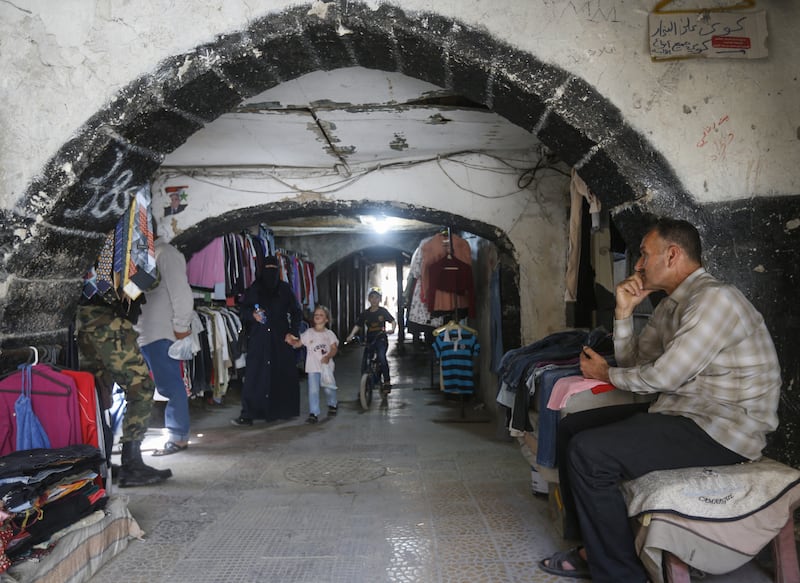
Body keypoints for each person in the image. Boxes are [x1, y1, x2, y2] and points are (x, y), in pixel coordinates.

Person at [539, 217, 782, 583]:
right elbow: (638, 367)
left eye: (643, 254)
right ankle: (594, 545)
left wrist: (606, 375)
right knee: (572, 428)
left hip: (723, 430)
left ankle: (621, 574)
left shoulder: (714, 299)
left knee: (591, 453)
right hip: (684, 412)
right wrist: (622, 313)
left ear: (672, 255)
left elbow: (663, 377)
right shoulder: (671, 305)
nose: (638, 264)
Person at [76, 302, 173, 487]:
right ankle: (132, 463)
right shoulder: (106, 271)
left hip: (82, 321)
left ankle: (99, 462)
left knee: (95, 391)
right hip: (108, 322)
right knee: (141, 388)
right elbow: (148, 279)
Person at [133, 233, 194, 456]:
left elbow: (182, 294)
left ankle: (178, 437)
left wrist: (180, 326)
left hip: (161, 333)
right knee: (137, 388)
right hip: (141, 332)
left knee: (170, 386)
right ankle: (132, 439)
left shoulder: (166, 253)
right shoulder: (142, 256)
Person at [231, 255, 303, 426]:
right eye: (267, 268)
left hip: (280, 338)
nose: (270, 272)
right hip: (259, 339)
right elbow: (243, 311)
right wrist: (253, 315)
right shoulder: (254, 289)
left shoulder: (284, 289)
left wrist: (292, 332)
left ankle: (282, 410)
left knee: (281, 374)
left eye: (273, 268)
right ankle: (249, 413)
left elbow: (296, 312)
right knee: (256, 376)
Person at [286, 305, 339, 424]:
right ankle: (313, 413)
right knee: (313, 390)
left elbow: (334, 348)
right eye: (316, 315)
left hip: (326, 367)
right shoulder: (308, 333)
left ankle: (332, 404)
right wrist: (291, 341)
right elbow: (299, 343)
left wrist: (328, 357)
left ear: (326, 319)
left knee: (329, 388)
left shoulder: (329, 334)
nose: (318, 317)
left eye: (321, 315)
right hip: (312, 368)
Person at [344, 288, 396, 391]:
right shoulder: (365, 313)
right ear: (369, 299)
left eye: (376, 297)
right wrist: (351, 335)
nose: (374, 300)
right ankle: (364, 387)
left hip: (381, 338)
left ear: (380, 299)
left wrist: (392, 329)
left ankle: (387, 381)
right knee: (365, 362)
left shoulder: (383, 311)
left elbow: (393, 321)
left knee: (381, 357)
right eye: (372, 297)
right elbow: (358, 325)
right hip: (370, 339)